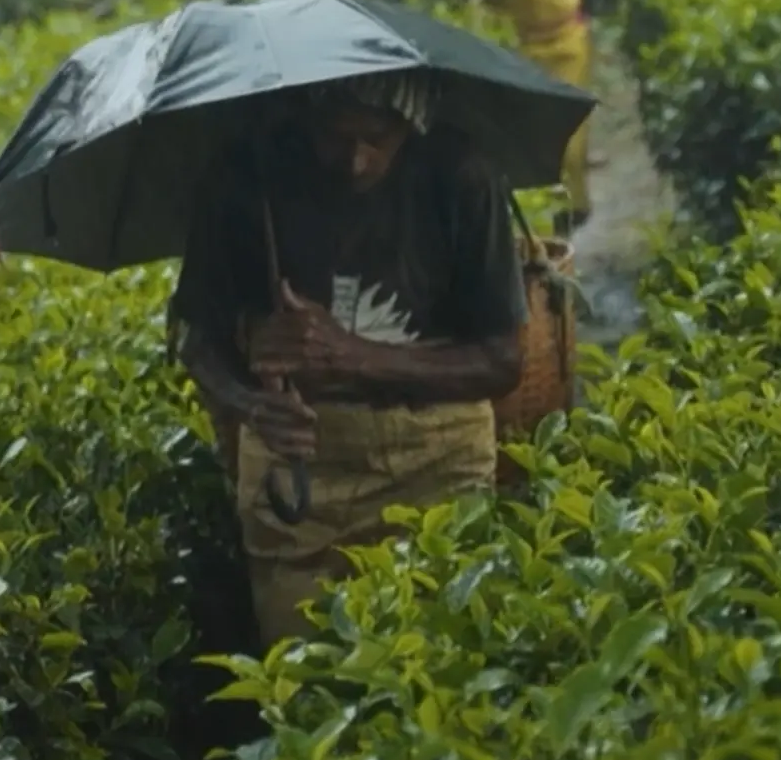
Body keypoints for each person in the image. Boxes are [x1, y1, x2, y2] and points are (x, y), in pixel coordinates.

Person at [169, 76, 524, 645]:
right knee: (300, 676)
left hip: (436, 459)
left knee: (438, 662)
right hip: (297, 474)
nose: (357, 161)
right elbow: (195, 336)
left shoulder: (460, 176)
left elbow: (502, 362)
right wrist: (253, 406)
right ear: (308, 120)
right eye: (337, 138)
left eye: (378, 139)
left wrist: (352, 356)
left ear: (412, 124)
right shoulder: (246, 177)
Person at [434, 0, 618, 224]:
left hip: (567, 43)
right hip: (512, 49)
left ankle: (565, 228)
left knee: (567, 147)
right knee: (523, 152)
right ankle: (535, 241)